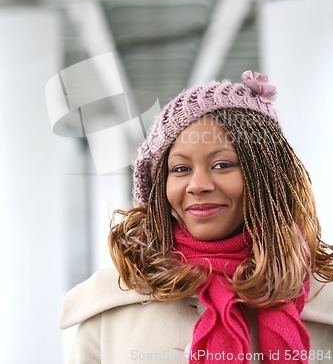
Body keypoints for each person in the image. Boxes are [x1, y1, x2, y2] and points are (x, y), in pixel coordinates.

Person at [60, 71, 333, 364]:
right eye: (180, 169)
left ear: (267, 178)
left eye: (222, 164)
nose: (198, 184)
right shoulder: (110, 304)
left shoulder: (322, 304)